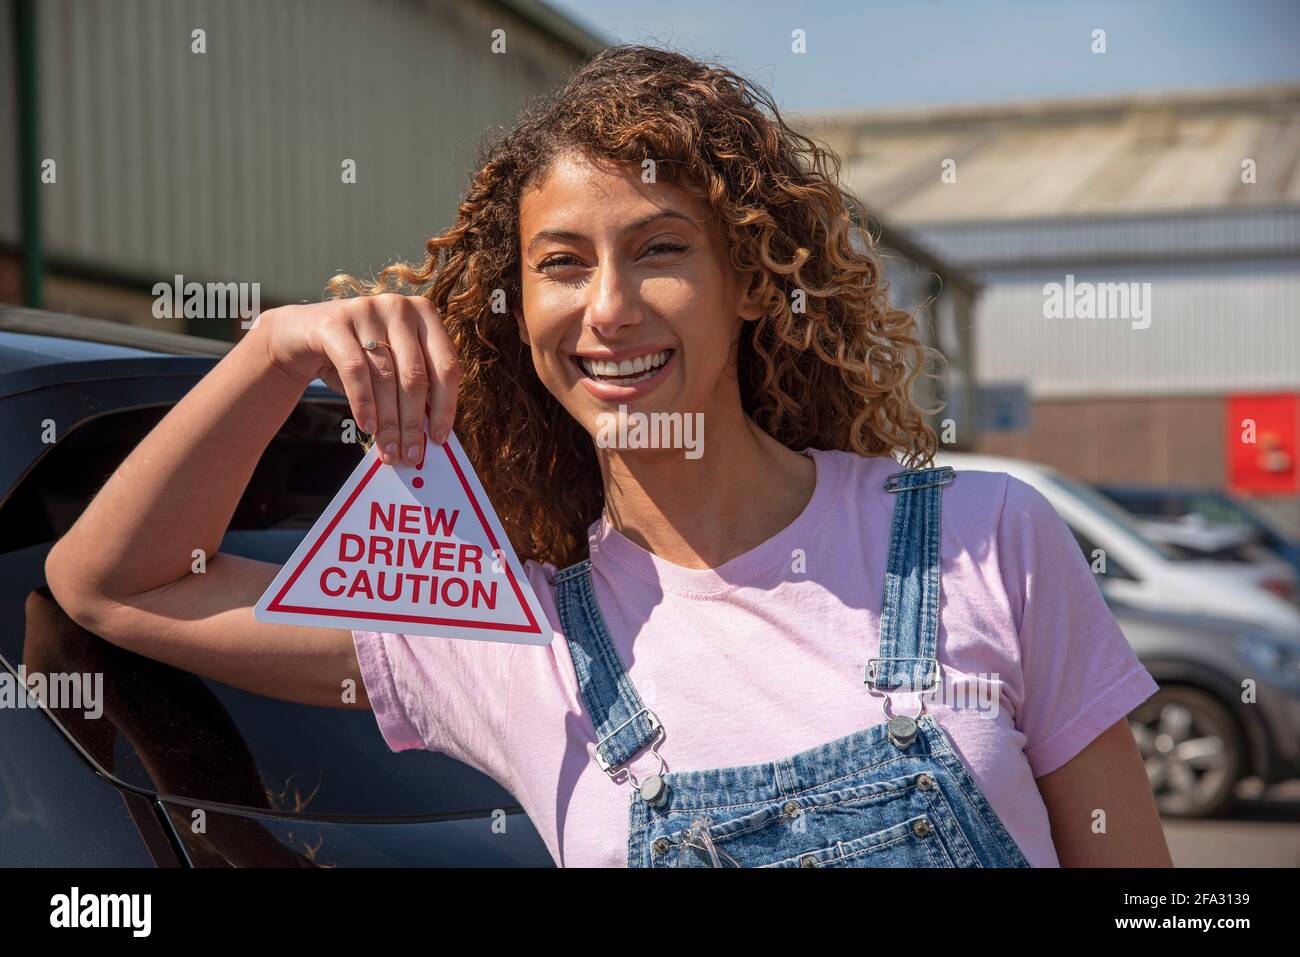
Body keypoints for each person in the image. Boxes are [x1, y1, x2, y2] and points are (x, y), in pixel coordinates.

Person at [44, 45, 1171, 868]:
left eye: (661, 251)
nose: (610, 310)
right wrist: (273, 350)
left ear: (751, 283)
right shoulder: (507, 636)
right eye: (564, 264)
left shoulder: (986, 539)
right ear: (519, 305)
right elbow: (118, 584)